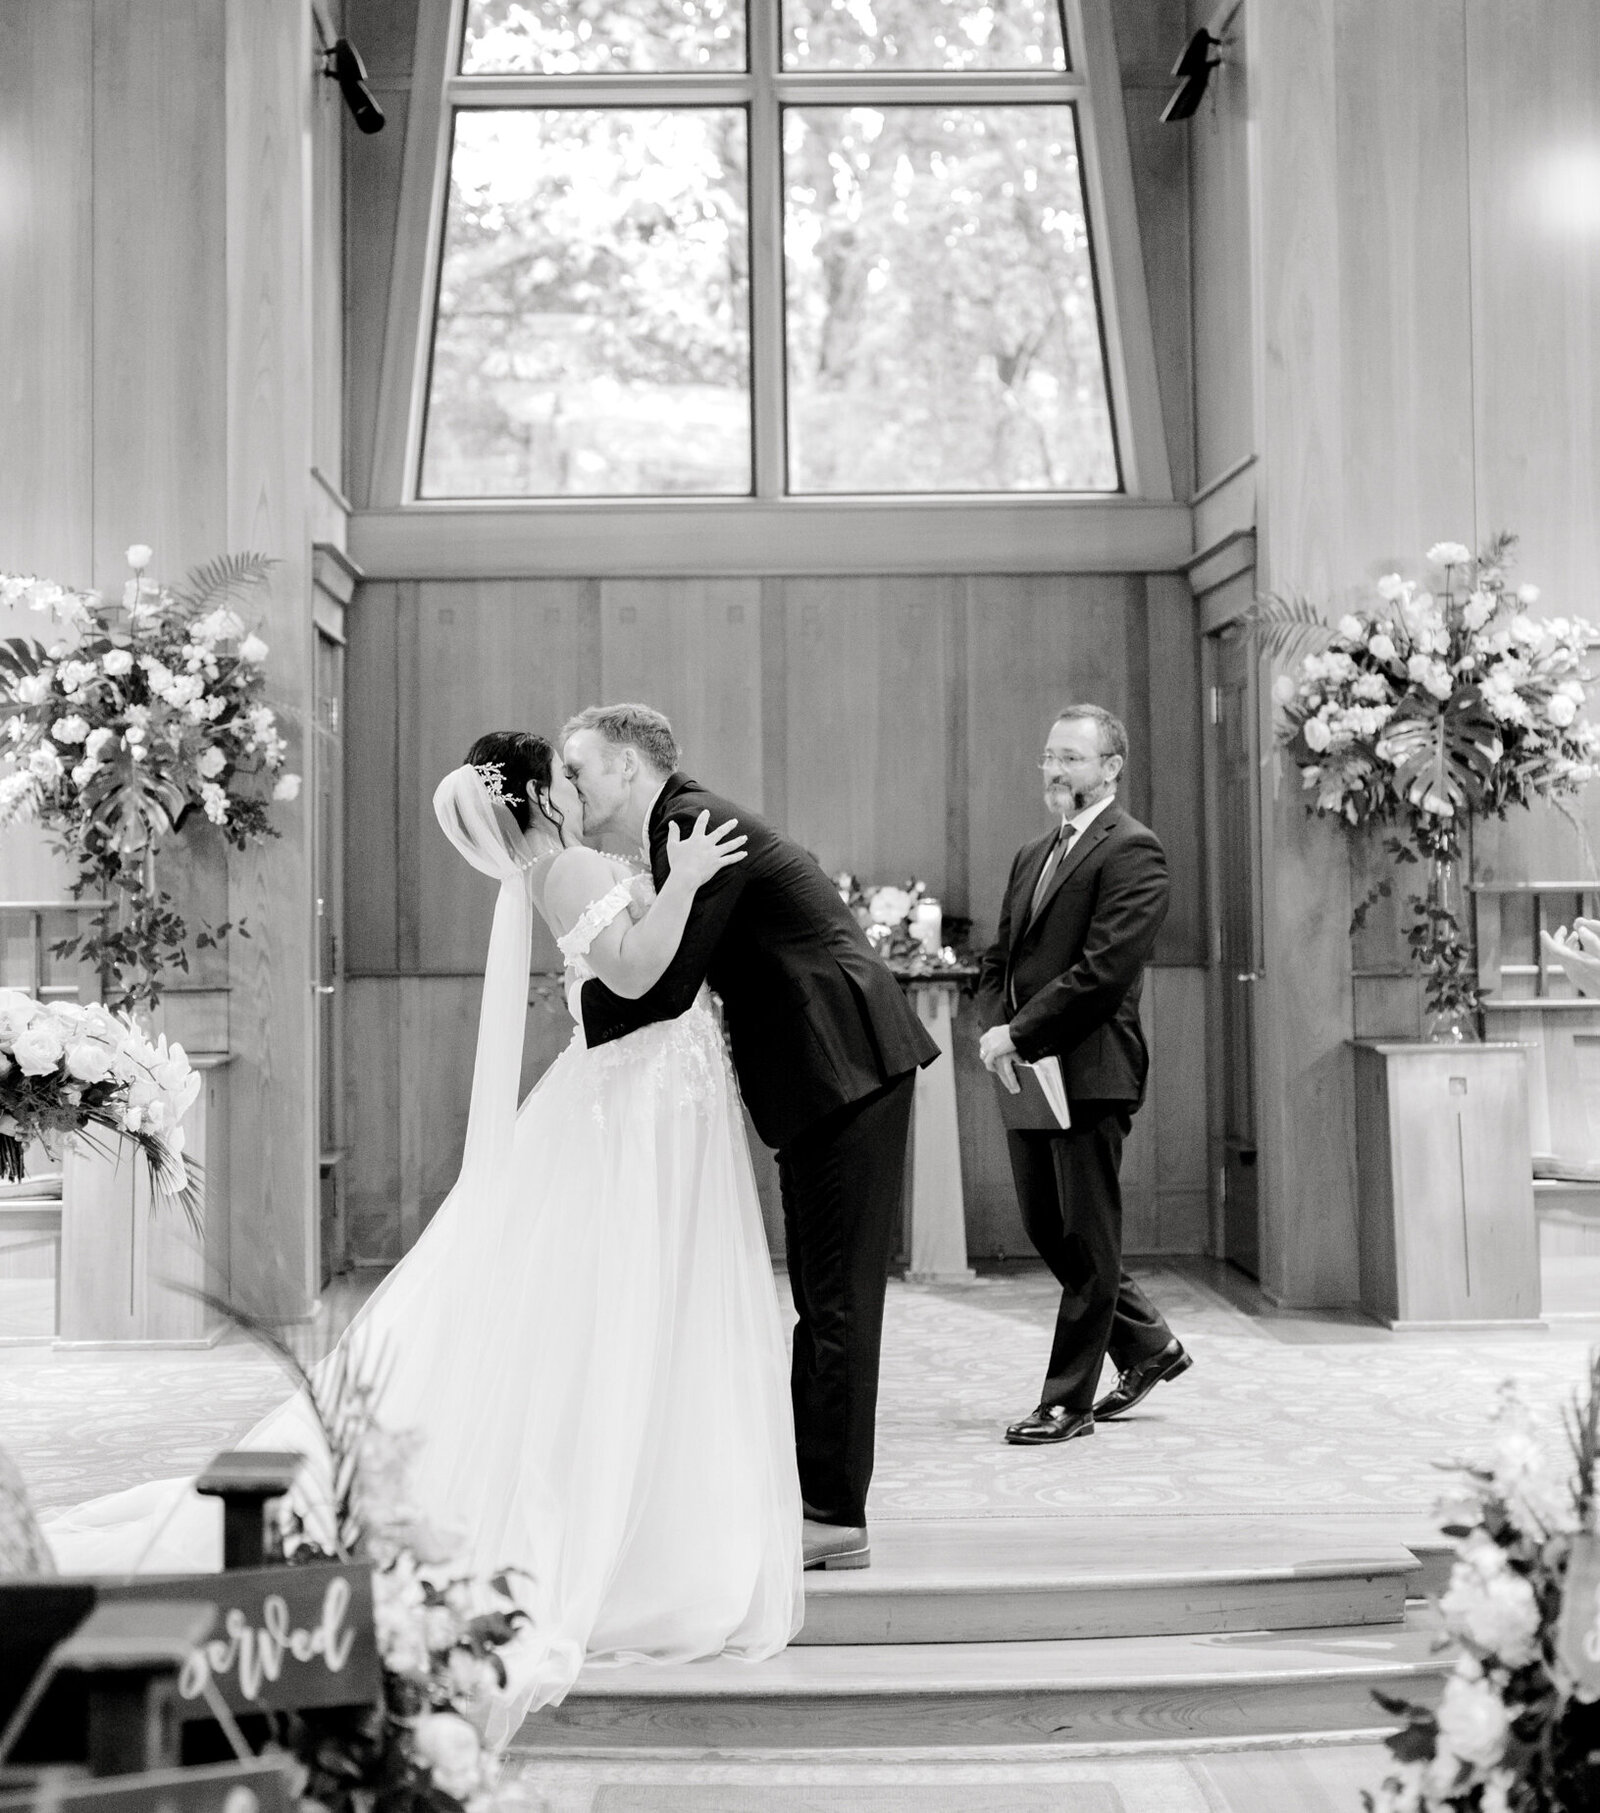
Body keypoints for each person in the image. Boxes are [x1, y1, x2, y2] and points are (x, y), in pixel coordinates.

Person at [46, 730, 803, 1737]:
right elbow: (632, 972)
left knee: (625, 1306)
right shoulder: (570, 867)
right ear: (541, 792)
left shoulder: (559, 868)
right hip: (636, 1108)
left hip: (651, 1095)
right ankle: (631, 1530)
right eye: (566, 771)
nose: (579, 782)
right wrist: (689, 882)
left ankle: (652, 1503)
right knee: (622, 1303)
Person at [559, 703, 939, 1573]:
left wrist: (579, 1017)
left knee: (838, 1300)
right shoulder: (676, 831)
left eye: (579, 768)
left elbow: (667, 987)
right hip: (824, 1076)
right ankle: (816, 1499)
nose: (570, 786)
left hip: (847, 1067)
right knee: (821, 1295)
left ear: (626, 766)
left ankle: (835, 1516)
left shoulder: (693, 825)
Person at [976, 703, 1190, 1445]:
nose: (1055, 769)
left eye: (1071, 756)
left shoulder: (1134, 849)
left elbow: (1104, 972)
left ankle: (1068, 1401)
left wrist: (1020, 1031)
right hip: (1028, 1071)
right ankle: (1150, 1344)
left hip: (1092, 1068)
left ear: (1111, 767)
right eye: (1049, 756)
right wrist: (997, 1033)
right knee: (1048, 1228)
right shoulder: (1032, 853)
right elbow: (1000, 958)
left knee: (1089, 1237)